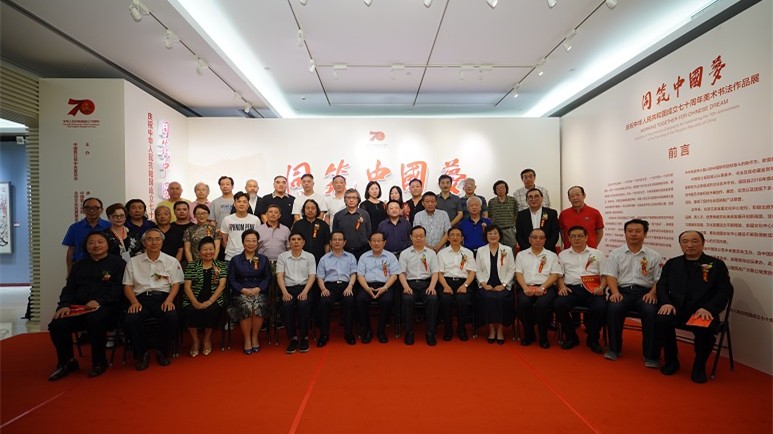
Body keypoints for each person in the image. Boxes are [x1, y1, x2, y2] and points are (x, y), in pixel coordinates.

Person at [656, 230, 733, 383]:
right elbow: (662, 285)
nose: (689, 245)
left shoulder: (716, 265)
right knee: (661, 320)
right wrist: (666, 302)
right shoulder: (672, 263)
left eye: (694, 241)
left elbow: (724, 291)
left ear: (703, 243)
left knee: (704, 328)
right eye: (685, 241)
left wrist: (709, 308)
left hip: (703, 310)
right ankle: (671, 360)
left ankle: (699, 366)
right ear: (680, 244)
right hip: (677, 308)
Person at [47, 231, 125, 380]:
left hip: (106, 307)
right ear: (86, 246)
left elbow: (119, 289)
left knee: (95, 320)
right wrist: (64, 305)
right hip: (79, 308)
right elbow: (69, 288)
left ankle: (99, 362)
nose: (96, 245)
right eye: (91, 242)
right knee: (57, 324)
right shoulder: (79, 265)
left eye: (100, 242)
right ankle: (67, 362)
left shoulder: (118, 263)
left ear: (108, 244)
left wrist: (100, 301)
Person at [603, 218, 663, 367]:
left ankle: (650, 355)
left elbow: (659, 279)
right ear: (625, 233)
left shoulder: (654, 255)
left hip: (645, 293)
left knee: (651, 312)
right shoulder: (616, 254)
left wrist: (652, 293)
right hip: (622, 291)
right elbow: (611, 275)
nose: (633, 234)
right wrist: (614, 292)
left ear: (645, 234)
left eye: (638, 231)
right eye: (630, 231)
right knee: (613, 308)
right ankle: (614, 349)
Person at [122, 228, 184, 370]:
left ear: (162, 242)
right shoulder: (133, 262)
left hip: (163, 298)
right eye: (149, 239)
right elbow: (127, 286)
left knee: (171, 317)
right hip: (140, 299)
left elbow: (176, 284)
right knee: (131, 319)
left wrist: (169, 300)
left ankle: (163, 351)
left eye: (157, 239)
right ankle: (141, 354)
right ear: (144, 243)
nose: (154, 242)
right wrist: (134, 302)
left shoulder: (171, 261)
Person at [554, 226, 607, 353]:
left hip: (593, 289)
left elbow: (605, 275)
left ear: (586, 237)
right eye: (573, 236)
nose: (577, 238)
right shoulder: (563, 255)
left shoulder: (597, 254)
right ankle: (571, 337)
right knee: (558, 305)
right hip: (571, 289)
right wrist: (562, 287)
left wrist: (601, 287)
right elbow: (559, 275)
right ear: (569, 238)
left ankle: (593, 339)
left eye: (580, 236)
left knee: (601, 308)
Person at [515, 228, 561, 348]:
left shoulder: (552, 255)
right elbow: (518, 273)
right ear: (529, 239)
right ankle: (529, 334)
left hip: (546, 287)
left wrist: (542, 288)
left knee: (542, 305)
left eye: (541, 238)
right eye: (535, 237)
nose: (538, 240)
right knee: (523, 303)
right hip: (526, 286)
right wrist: (525, 288)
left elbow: (555, 275)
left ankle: (543, 336)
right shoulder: (521, 255)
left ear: (545, 240)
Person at [227, 229, 272, 355]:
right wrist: (242, 290)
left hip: (259, 291)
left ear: (258, 243)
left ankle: (255, 337)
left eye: (253, 241)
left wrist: (259, 288)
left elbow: (268, 277)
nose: (251, 243)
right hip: (241, 292)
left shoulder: (263, 259)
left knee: (258, 304)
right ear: (243, 242)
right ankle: (247, 339)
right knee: (246, 305)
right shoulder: (235, 259)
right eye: (248, 241)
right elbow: (231, 279)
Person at [182, 236, 226, 357]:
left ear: (215, 250)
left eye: (211, 249)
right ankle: (195, 341)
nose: (208, 252)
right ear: (199, 251)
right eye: (205, 249)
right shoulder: (192, 265)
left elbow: (222, 285)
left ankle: (207, 339)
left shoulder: (221, 265)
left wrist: (210, 301)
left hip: (214, 299)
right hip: (194, 297)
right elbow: (187, 287)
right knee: (190, 310)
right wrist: (195, 302)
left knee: (212, 310)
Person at [398, 226, 440, 346]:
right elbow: (401, 273)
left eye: (421, 236)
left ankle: (431, 333)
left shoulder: (431, 253)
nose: (418, 238)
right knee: (407, 299)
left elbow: (435, 272)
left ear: (425, 237)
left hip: (427, 284)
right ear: (411, 237)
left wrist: (432, 287)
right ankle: (409, 332)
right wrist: (406, 287)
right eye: (416, 236)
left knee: (433, 299)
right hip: (410, 284)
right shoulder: (405, 253)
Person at [356, 231, 400, 344]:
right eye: (373, 241)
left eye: (379, 241)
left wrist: (384, 288)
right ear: (369, 243)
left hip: (385, 285)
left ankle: (381, 331)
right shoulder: (364, 257)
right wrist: (367, 288)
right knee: (360, 299)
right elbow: (360, 275)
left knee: (387, 300)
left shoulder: (390, 257)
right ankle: (367, 330)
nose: (376, 243)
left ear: (384, 243)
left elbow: (394, 275)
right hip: (367, 285)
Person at [316, 231, 358, 346]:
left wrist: (350, 286)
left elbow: (353, 274)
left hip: (346, 285)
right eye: (334, 239)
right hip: (330, 286)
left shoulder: (350, 257)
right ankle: (324, 334)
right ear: (330, 242)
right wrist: (323, 289)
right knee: (324, 302)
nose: (337, 242)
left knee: (349, 301)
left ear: (344, 242)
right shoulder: (324, 258)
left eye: (340, 239)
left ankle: (349, 333)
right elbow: (320, 277)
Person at [475, 225, 515, 345]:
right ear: (486, 236)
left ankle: (500, 329)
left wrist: (504, 284)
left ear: (499, 235)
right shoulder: (480, 250)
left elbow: (511, 269)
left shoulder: (507, 250)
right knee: (487, 297)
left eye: (495, 233)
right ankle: (491, 329)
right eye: (490, 233)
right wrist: (483, 284)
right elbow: (477, 270)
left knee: (502, 298)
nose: (493, 236)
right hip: (486, 283)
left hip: (502, 283)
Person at [277, 232, 316, 354]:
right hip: (288, 288)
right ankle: (293, 338)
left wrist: (305, 291)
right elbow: (279, 275)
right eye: (293, 239)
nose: (296, 241)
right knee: (286, 305)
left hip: (305, 287)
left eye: (299, 239)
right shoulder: (282, 257)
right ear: (289, 242)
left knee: (303, 304)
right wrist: (284, 292)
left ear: (303, 242)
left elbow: (312, 276)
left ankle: (304, 337)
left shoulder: (309, 257)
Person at [437, 227, 476, 341]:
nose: (455, 237)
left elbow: (472, 272)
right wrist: (445, 286)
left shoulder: (468, 253)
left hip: (463, 282)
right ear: (448, 238)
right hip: (446, 281)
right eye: (452, 235)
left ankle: (461, 329)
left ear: (462, 238)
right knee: (446, 300)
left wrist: (465, 285)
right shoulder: (442, 253)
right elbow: (439, 273)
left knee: (461, 300)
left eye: (458, 235)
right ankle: (448, 329)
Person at [63, 197, 110, 274]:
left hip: (105, 266)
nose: (91, 210)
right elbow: (71, 250)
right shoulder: (74, 228)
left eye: (95, 208)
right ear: (83, 210)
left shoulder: (109, 226)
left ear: (101, 210)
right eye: (87, 208)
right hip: (81, 266)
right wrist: (69, 271)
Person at [515, 188, 559, 253]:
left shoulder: (551, 213)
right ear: (526, 200)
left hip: (548, 252)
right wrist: (529, 250)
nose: (533, 199)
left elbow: (555, 233)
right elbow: (519, 235)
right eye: (530, 197)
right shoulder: (521, 215)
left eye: (536, 196)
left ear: (542, 198)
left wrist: (544, 250)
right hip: (527, 252)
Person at [220, 191, 260, 261]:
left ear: (248, 204)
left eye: (244, 202)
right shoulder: (227, 219)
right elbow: (224, 240)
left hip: (250, 258)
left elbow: (258, 240)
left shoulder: (255, 220)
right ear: (234, 204)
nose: (241, 204)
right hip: (230, 257)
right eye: (239, 201)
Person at [333, 188, 371, 259]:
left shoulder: (365, 214)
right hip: (344, 252)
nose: (351, 200)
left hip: (362, 251)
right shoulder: (338, 216)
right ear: (345, 200)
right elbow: (335, 235)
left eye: (354, 197)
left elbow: (369, 232)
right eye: (348, 197)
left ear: (358, 200)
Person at [290, 199, 330, 264]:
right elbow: (293, 242)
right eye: (307, 208)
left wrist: (326, 258)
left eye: (313, 208)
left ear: (317, 210)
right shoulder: (298, 225)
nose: (310, 210)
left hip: (319, 259)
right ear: (304, 210)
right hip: (301, 259)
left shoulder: (323, 225)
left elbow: (327, 244)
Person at [487, 180, 518, 250]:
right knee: (496, 250)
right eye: (498, 188)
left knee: (511, 249)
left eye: (502, 187)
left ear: (506, 189)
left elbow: (516, 214)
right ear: (495, 190)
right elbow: (490, 216)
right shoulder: (491, 202)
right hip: (496, 231)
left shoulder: (513, 200)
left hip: (509, 230)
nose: (500, 189)